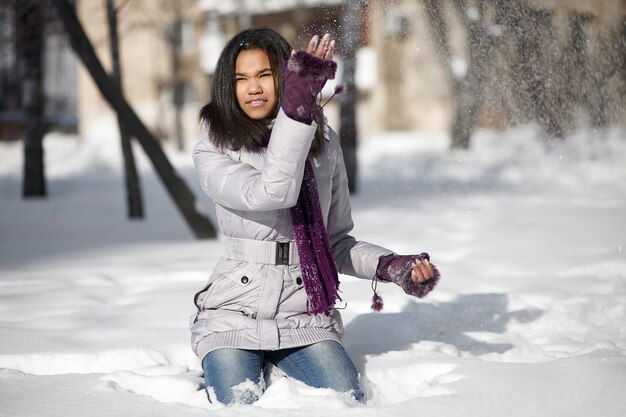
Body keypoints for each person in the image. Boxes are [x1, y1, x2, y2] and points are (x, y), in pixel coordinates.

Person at [190, 27, 440, 406]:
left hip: (303, 314)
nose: (253, 88)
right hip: (234, 310)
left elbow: (335, 242)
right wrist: (295, 113)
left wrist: (391, 266)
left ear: (284, 76)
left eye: (264, 75)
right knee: (235, 403)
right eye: (241, 78)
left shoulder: (324, 144)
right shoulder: (217, 146)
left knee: (347, 399)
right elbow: (273, 191)